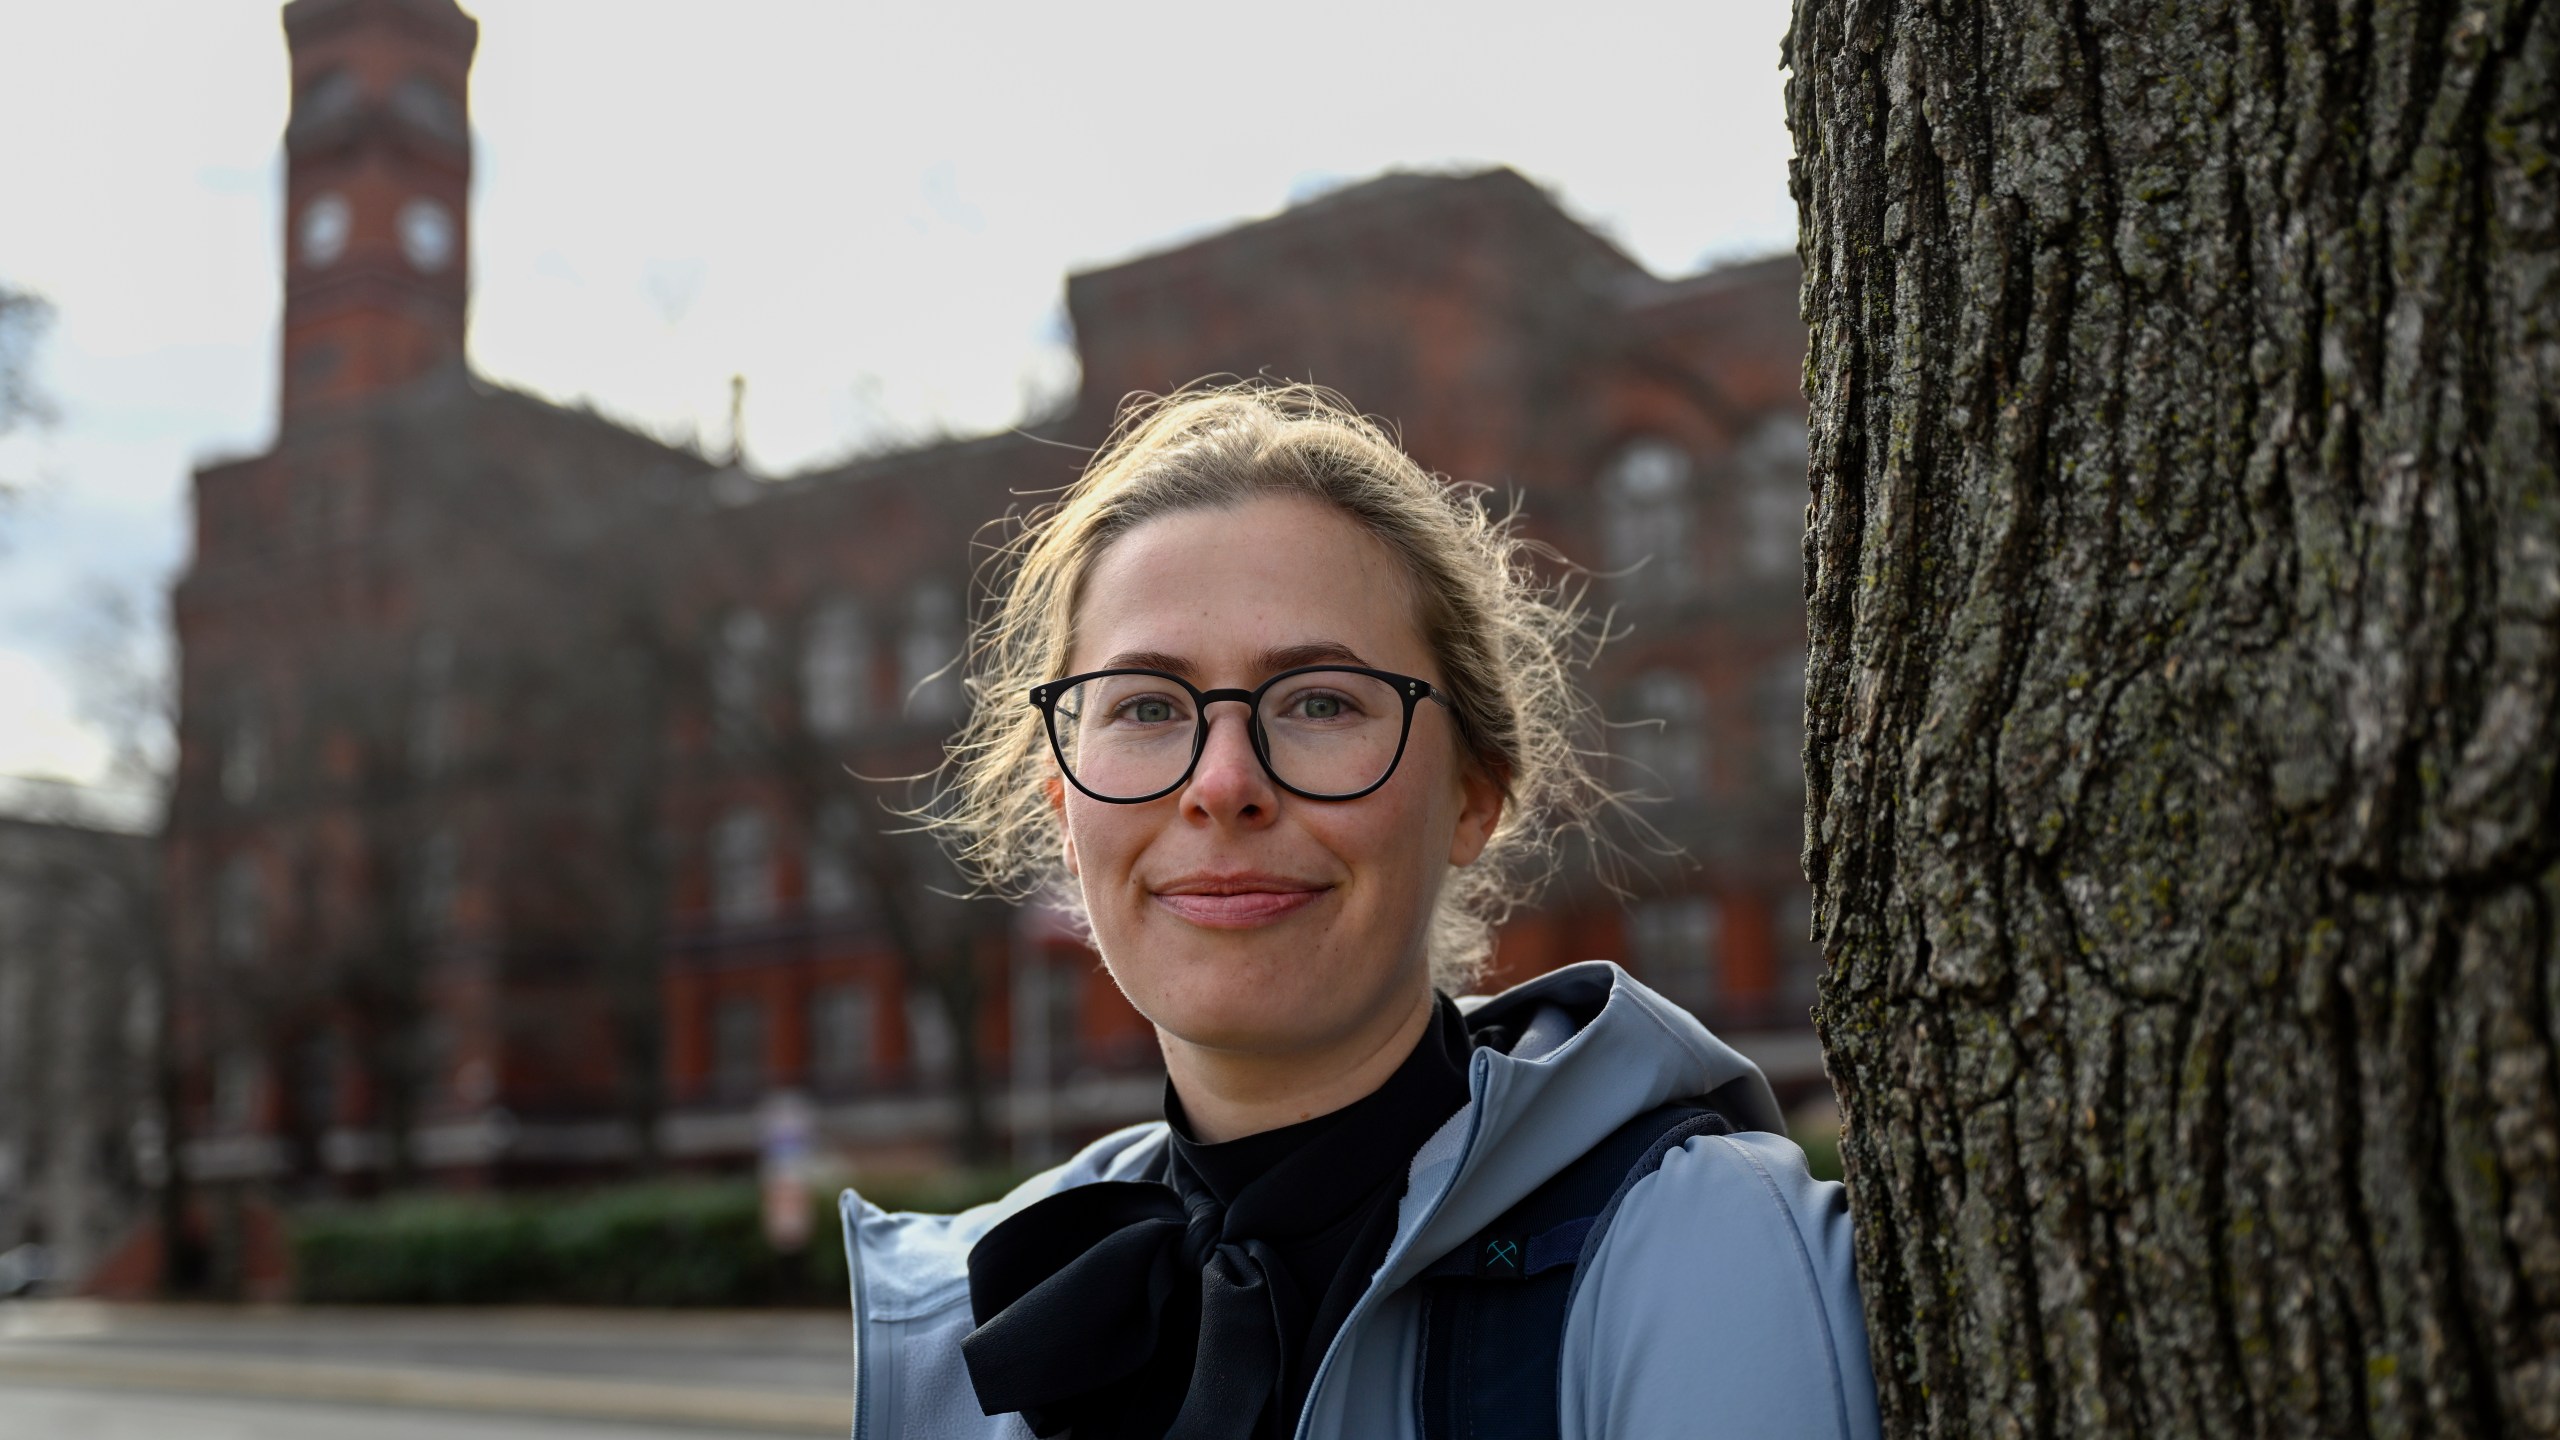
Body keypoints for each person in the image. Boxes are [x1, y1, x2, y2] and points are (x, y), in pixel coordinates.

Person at [839, 383, 1879, 1440]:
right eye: (1147, 707)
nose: (1222, 782)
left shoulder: (1708, 1248)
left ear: (1472, 794)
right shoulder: (970, 1310)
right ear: (1066, 809)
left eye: (1319, 702)